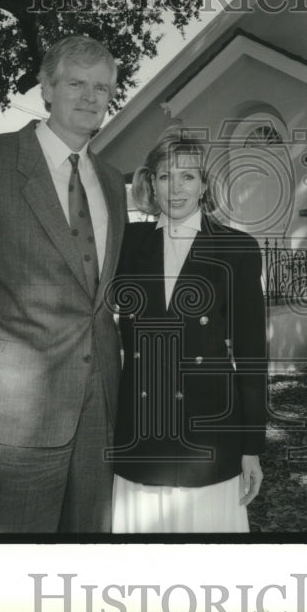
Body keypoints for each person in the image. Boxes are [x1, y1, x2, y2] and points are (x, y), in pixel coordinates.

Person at [0, 35, 126, 533]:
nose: (90, 96)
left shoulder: (113, 182)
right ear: (47, 89)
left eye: (102, 87)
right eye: (76, 82)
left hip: (101, 409)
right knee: (5, 569)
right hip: (13, 416)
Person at [108, 129, 267, 533]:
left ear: (204, 185)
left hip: (209, 431)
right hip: (141, 428)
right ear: (150, 184)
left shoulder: (237, 248)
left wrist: (251, 448)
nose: (175, 188)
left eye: (187, 176)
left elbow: (251, 356)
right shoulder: (126, 243)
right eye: (164, 177)